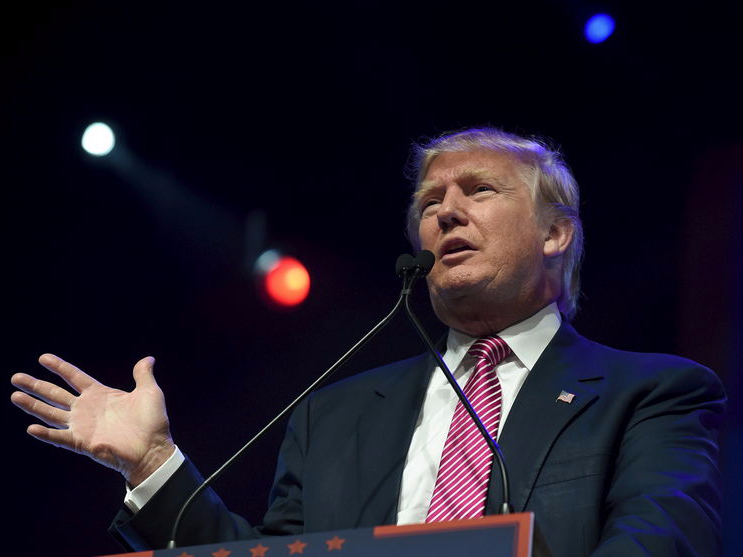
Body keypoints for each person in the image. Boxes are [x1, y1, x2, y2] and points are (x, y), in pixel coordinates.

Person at [10, 127, 726, 556]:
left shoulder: (652, 394)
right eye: (427, 203)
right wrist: (155, 464)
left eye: (477, 190)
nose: (445, 210)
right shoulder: (335, 415)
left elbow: (658, 544)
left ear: (553, 231)